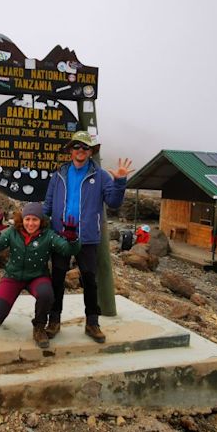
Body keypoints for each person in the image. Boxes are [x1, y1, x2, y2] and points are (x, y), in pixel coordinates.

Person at [43, 131, 133, 343]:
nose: (80, 151)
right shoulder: (58, 175)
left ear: (91, 151)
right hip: (59, 236)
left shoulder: (100, 176)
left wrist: (119, 182)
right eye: (76, 147)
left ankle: (93, 323)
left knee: (90, 281)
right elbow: (47, 204)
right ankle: (54, 320)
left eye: (85, 147)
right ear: (70, 150)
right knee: (57, 278)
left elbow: (113, 202)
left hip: (87, 238)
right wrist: (39, 225)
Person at [0, 202, 80, 349]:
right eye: (27, 219)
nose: (31, 223)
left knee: (46, 294)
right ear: (22, 219)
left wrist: (73, 239)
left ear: (41, 221)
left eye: (35, 220)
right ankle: (0, 314)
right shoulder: (12, 232)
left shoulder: (48, 235)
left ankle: (39, 327)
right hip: (13, 276)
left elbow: (67, 250)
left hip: (37, 276)